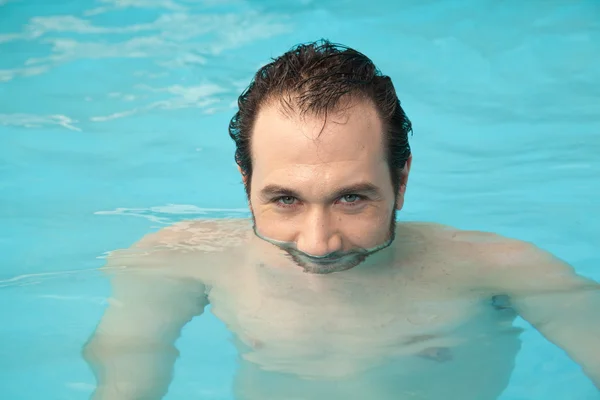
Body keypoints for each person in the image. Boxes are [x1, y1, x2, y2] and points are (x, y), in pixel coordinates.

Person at [82, 40, 600, 400]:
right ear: (245, 180)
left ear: (401, 180)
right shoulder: (177, 261)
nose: (319, 243)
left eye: (352, 198)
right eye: (285, 199)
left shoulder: (502, 270)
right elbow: (124, 375)